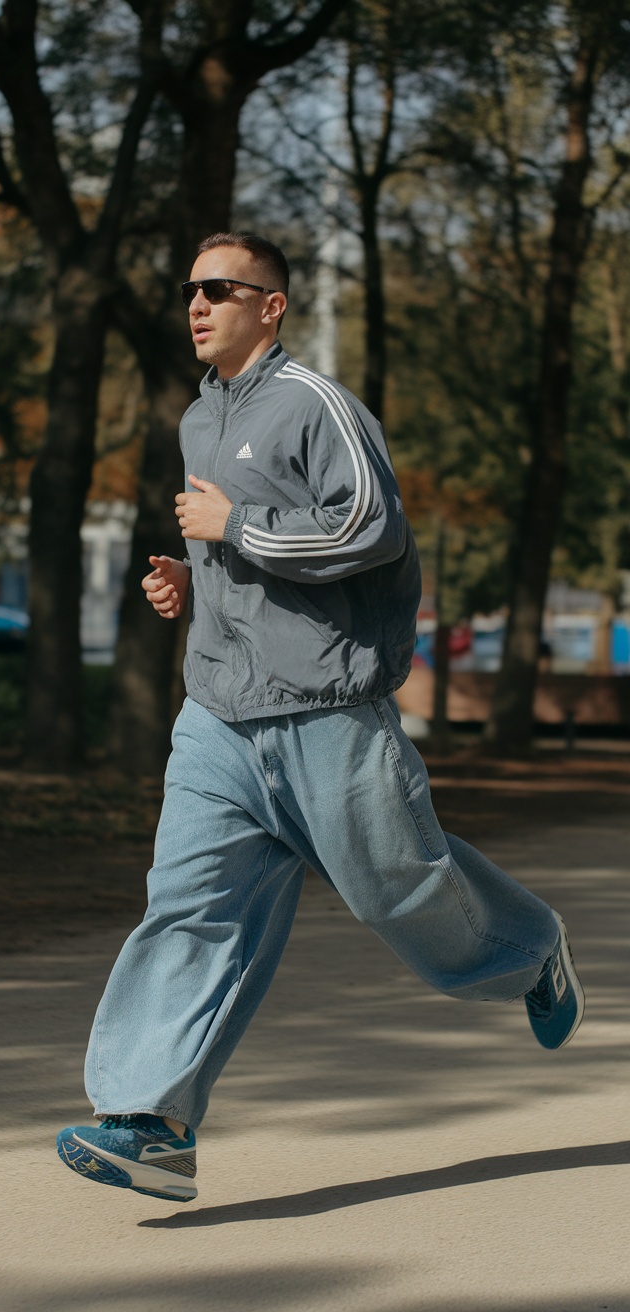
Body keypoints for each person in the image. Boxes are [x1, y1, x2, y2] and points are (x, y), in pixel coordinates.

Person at [57, 231, 584, 1204]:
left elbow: (369, 525)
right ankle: (149, 1121)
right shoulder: (195, 420)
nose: (198, 304)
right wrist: (193, 581)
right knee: (187, 906)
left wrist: (234, 532)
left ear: (273, 305)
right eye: (190, 290)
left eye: (220, 288)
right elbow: (241, 558)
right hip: (216, 714)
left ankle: (528, 945)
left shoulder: (315, 407)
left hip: (327, 714)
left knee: (401, 893)